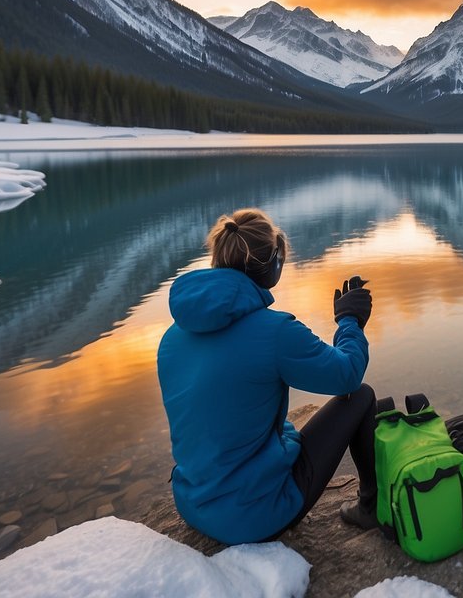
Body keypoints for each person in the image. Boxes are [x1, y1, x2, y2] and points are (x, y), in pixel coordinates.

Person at [157, 207, 379, 545]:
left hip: (193, 504)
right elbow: (346, 375)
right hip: (255, 517)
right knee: (361, 397)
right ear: (273, 264)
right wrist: (349, 321)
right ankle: (371, 507)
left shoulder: (172, 336)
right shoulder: (274, 331)